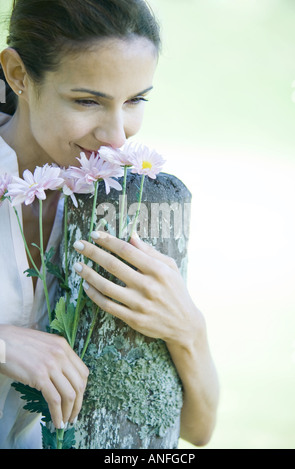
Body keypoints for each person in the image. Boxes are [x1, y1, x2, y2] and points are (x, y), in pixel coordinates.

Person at [0, 0, 219, 449]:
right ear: (18, 74)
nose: (118, 137)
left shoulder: (122, 207)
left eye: (135, 100)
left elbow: (196, 433)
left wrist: (188, 329)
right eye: (86, 101)